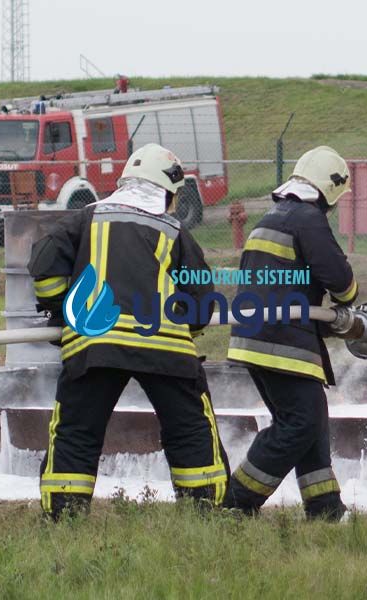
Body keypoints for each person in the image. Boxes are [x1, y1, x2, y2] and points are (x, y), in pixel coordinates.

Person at [28, 143, 229, 519]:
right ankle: (206, 514)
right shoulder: (174, 230)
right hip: (165, 348)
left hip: (95, 343)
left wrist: (63, 313)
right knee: (189, 430)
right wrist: (185, 321)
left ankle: (64, 517)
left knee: (76, 433)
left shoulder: (84, 219)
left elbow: (44, 267)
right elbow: (201, 300)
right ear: (168, 191)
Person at [224, 146, 358, 521]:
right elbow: (340, 281)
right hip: (282, 341)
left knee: (309, 417)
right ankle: (236, 503)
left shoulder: (272, 216)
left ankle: (325, 507)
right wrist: (347, 300)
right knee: (298, 423)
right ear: (328, 191)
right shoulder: (308, 219)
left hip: (257, 338)